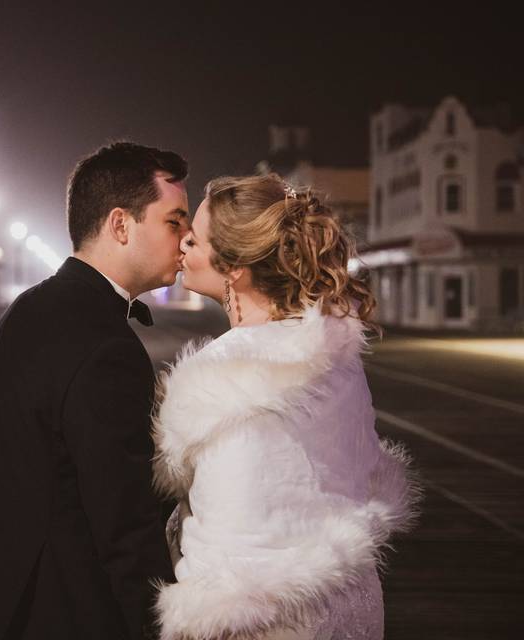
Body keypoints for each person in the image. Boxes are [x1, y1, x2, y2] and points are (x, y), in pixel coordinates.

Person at [0, 141, 190, 640]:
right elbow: (123, 521)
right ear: (120, 225)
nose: (188, 237)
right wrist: (160, 629)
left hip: (3, 600)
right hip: (66, 608)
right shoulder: (106, 345)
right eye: (175, 221)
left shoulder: (30, 308)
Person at [153, 174, 420, 640]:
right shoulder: (339, 358)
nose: (183, 243)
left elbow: (234, 536)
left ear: (234, 268)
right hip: (349, 601)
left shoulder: (218, 374)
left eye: (195, 236)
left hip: (259, 620)